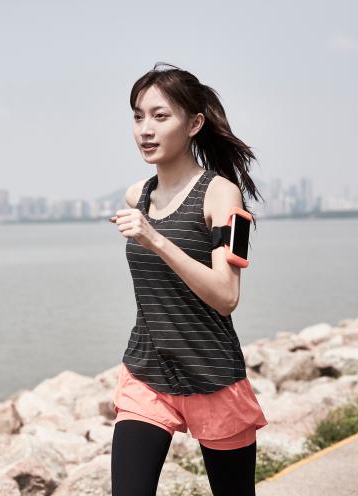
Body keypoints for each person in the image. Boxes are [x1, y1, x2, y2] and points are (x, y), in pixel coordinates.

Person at [109, 62, 268, 496]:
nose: (146, 129)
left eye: (161, 116)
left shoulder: (222, 195)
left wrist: (155, 239)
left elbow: (226, 296)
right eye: (138, 116)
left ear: (194, 123)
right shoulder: (136, 194)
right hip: (147, 374)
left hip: (213, 376)